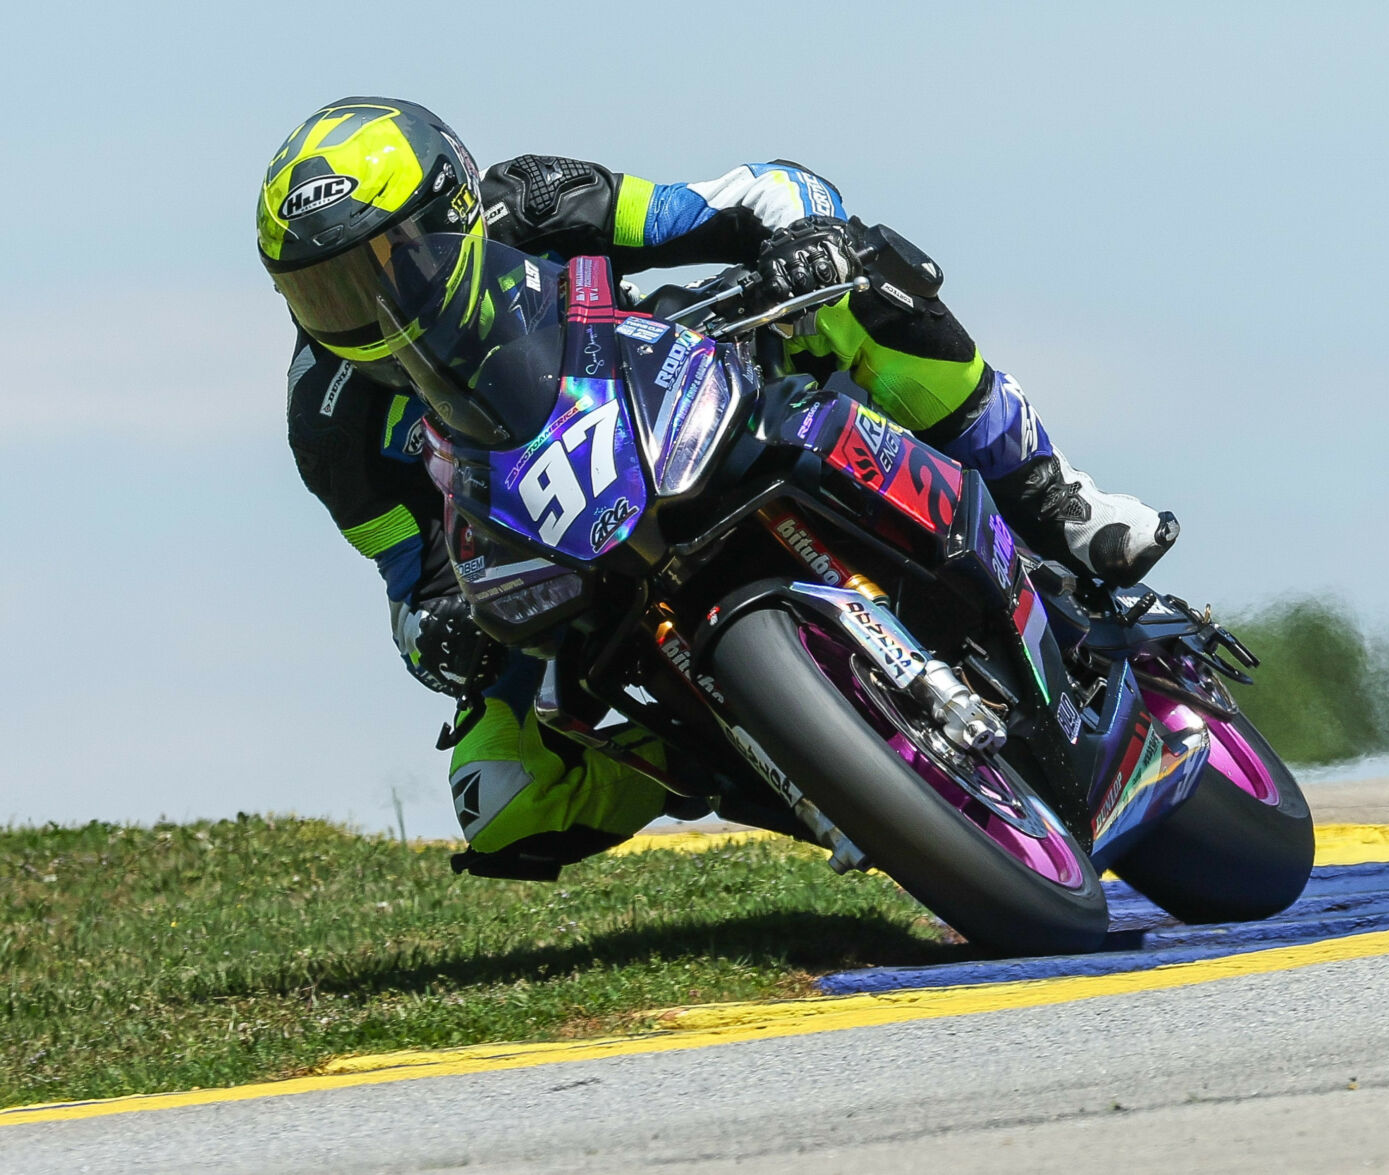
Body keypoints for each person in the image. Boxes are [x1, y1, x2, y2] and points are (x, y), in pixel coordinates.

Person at [256, 97, 1180, 880]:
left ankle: (1052, 495)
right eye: (323, 290)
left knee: (859, 281)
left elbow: (744, 197)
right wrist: (440, 634)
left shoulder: (535, 201)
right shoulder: (328, 423)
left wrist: (803, 237)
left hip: (680, 398)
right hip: (557, 557)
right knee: (499, 801)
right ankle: (762, 759)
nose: (361, 305)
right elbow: (409, 588)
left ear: (456, 213)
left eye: (384, 260)